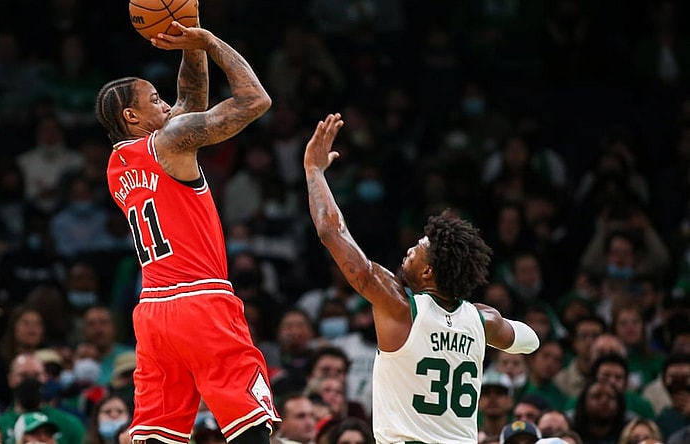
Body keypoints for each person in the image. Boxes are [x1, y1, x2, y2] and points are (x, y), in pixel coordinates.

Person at [302, 112, 540, 444]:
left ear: (429, 272)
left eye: (419, 248)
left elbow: (332, 232)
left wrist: (314, 172)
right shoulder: (482, 319)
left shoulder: (400, 307)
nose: (411, 248)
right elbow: (530, 340)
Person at [96, 13, 277, 444]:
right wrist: (212, 42)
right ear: (131, 116)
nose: (165, 105)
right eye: (154, 100)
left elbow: (188, 102)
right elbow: (256, 101)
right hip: (202, 301)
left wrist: (188, 44)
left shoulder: (117, 164)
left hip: (154, 312)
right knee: (251, 424)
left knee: (159, 434)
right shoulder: (171, 141)